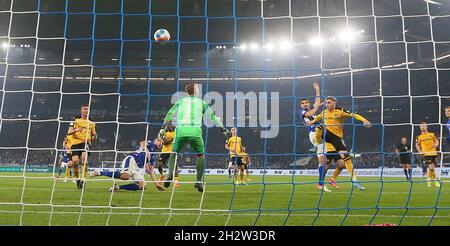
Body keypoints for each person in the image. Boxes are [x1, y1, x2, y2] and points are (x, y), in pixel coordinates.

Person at [162, 83, 229, 192]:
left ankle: (170, 173)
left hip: (181, 130)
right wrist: (223, 129)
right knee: (200, 155)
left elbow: (170, 113)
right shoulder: (202, 103)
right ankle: (198, 181)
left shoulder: (180, 101)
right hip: (195, 131)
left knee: (174, 153)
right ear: (196, 90)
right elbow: (212, 116)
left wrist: (163, 128)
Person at [307, 96, 372, 190]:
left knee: (341, 163)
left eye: (329, 102)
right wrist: (311, 122)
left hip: (337, 139)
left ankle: (344, 180)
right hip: (329, 142)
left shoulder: (340, 111)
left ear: (334, 103)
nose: (327, 104)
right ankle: (316, 145)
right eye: (326, 103)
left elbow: (354, 115)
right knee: (329, 163)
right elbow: (316, 118)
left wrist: (364, 120)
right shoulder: (324, 112)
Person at [90, 139, 165, 191]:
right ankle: (99, 172)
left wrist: (157, 185)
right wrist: (147, 150)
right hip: (132, 159)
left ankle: (117, 187)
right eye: (160, 141)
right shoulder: (151, 143)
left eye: (162, 143)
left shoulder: (153, 156)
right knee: (125, 176)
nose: (161, 144)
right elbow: (142, 142)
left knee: (142, 186)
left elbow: (151, 171)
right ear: (156, 140)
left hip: (136, 168)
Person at [300, 81, 331, 192]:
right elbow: (311, 112)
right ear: (301, 105)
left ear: (308, 104)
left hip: (320, 140)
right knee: (323, 127)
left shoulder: (312, 111)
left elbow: (317, 101)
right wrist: (318, 106)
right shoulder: (303, 112)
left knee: (323, 160)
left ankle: (320, 184)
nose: (304, 104)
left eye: (306, 102)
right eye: (302, 103)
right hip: (313, 134)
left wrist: (317, 89)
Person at [67, 104, 97, 189]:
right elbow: (69, 132)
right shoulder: (75, 119)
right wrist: (76, 130)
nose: (86, 111)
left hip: (85, 143)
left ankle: (83, 179)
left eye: (87, 110)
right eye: (85, 109)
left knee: (84, 157)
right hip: (75, 144)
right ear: (81, 110)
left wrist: (95, 136)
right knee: (75, 161)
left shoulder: (91, 122)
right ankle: (77, 179)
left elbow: (94, 134)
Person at [415, 122, 440, 188]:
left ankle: (429, 178)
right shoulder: (419, 137)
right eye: (421, 126)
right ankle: (434, 180)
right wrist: (420, 151)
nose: (422, 127)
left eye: (424, 126)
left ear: (426, 127)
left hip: (434, 153)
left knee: (432, 166)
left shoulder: (431, 135)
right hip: (426, 153)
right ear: (420, 128)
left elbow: (436, 141)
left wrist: (436, 144)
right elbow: (417, 145)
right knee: (431, 166)